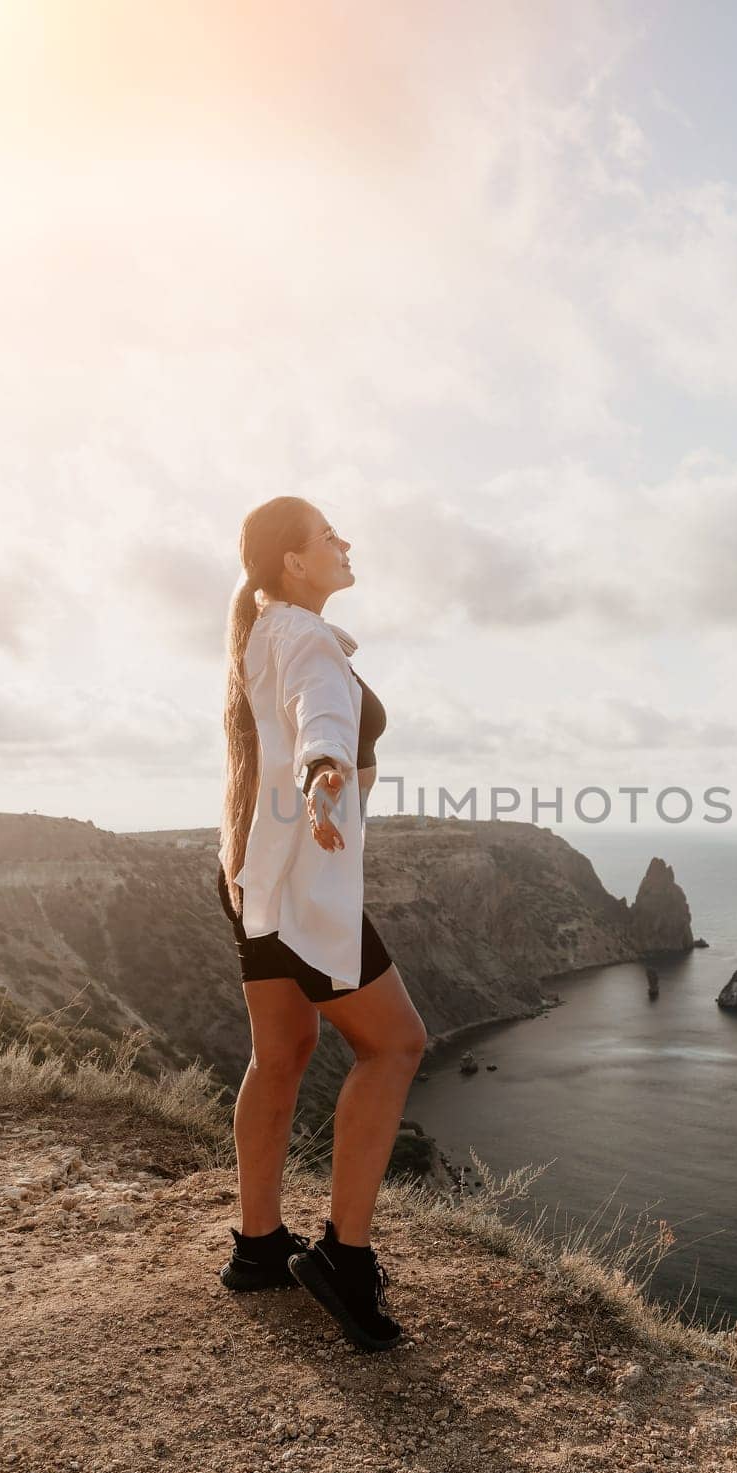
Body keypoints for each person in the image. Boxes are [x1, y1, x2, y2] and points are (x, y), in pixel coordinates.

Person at [215, 495, 427, 1352]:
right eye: (329, 535)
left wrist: (321, 772)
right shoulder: (299, 636)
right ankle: (345, 1257)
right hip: (301, 880)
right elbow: (319, 719)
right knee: (397, 1043)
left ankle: (261, 1248)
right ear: (293, 561)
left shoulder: (268, 631)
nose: (346, 542)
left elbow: (295, 720)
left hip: (254, 874)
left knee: (284, 1053)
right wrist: (326, 771)